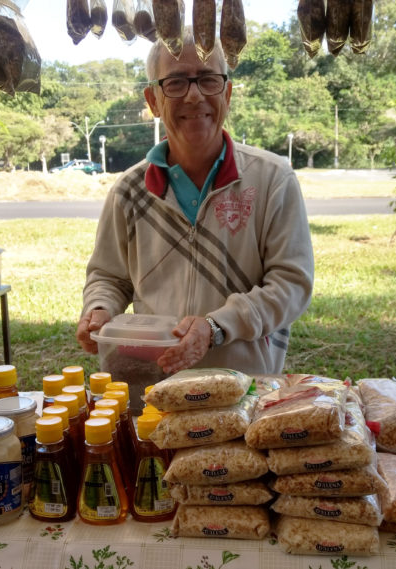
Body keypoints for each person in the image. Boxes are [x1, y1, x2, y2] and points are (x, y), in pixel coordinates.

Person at [76, 29, 314, 378]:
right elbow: (109, 277)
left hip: (244, 387)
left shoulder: (272, 180)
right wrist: (99, 307)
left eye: (208, 80)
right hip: (156, 385)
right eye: (175, 83)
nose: (194, 96)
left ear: (227, 93)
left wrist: (216, 326)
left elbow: (291, 284)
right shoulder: (130, 190)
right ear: (153, 100)